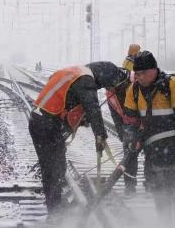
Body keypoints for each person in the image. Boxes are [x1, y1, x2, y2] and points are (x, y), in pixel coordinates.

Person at [28, 61, 127, 216]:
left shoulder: (74, 72)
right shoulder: (86, 80)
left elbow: (66, 98)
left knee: (55, 167)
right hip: (47, 126)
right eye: (109, 83)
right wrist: (100, 135)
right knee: (54, 170)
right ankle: (55, 212)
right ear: (104, 76)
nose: (107, 87)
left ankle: (55, 206)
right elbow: (93, 108)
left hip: (39, 120)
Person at [123, 50, 175, 226]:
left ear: (154, 70)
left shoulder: (172, 86)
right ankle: (164, 223)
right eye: (137, 74)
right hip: (153, 151)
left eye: (143, 73)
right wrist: (132, 138)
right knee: (159, 192)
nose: (139, 77)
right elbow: (130, 121)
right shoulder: (133, 91)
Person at [107, 44, 142, 195]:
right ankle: (132, 186)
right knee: (132, 152)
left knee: (130, 152)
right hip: (130, 116)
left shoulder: (125, 67)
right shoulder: (135, 74)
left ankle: (130, 186)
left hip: (125, 116)